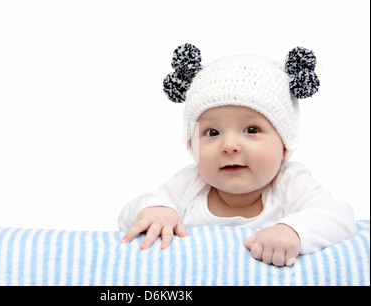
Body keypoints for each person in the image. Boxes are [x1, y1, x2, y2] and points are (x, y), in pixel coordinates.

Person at [118, 44, 357, 266]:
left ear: (284, 144)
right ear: (192, 145)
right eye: (212, 132)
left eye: (252, 130)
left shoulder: (289, 182)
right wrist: (158, 209)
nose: (229, 145)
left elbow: (339, 216)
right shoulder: (189, 184)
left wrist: (292, 230)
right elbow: (127, 218)